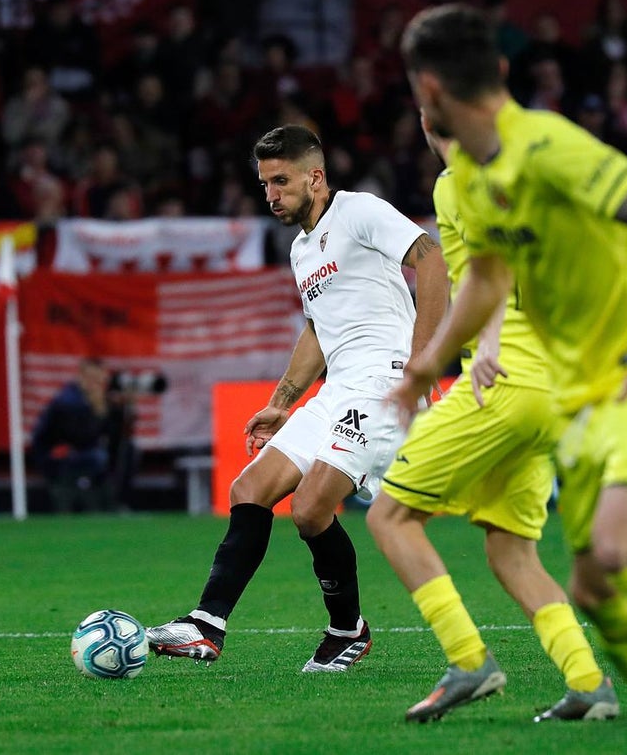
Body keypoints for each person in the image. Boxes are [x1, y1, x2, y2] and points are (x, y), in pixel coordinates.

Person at [396, 4, 627, 755]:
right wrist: (429, 363)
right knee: (591, 583)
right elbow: (488, 277)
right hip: (582, 387)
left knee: (624, 548)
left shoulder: (549, 146)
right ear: (496, 69)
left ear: (427, 89)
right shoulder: (481, 179)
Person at [145, 124, 447, 671]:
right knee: (250, 487)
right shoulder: (303, 249)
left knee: (309, 508)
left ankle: (345, 630)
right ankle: (206, 625)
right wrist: (283, 402)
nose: (272, 194)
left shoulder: (359, 211)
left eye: (281, 181)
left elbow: (432, 263)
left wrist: (422, 368)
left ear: (316, 176)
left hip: (385, 382)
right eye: (265, 184)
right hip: (339, 387)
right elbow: (317, 331)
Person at [366, 115, 620, 724]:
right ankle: (589, 686)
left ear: (429, 115)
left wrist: (479, 348)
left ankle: (467, 660)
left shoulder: (458, 182)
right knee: (511, 552)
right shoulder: (533, 180)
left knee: (390, 517)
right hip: (553, 390)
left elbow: (488, 273)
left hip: (503, 382)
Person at [30, 357, 118, 513]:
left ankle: (116, 500)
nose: (96, 384)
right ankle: (102, 501)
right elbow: (79, 437)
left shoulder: (96, 399)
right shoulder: (69, 401)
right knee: (98, 456)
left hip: (82, 450)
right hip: (60, 453)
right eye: (92, 379)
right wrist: (99, 411)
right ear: (82, 377)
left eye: (99, 380)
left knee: (126, 451)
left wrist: (118, 411)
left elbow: (111, 433)